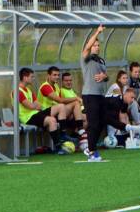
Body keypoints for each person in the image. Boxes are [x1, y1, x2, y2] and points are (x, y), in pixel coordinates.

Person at [37, 66, 87, 153]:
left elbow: (61, 103)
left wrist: (72, 111)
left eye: (58, 75)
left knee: (85, 116)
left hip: (58, 113)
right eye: (54, 75)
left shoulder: (56, 86)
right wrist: (76, 98)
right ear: (48, 75)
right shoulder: (45, 87)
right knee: (75, 103)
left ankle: (78, 136)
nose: (57, 77)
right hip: (46, 114)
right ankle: (74, 132)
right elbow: (60, 100)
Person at [81, 25, 110, 162]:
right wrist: (97, 31)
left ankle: (90, 148)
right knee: (93, 123)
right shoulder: (86, 58)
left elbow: (106, 76)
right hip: (89, 94)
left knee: (102, 122)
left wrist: (105, 77)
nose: (97, 47)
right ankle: (92, 152)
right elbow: (87, 47)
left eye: (98, 45)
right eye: (95, 45)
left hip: (100, 95)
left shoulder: (101, 60)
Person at [16, 67, 64, 151]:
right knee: (52, 120)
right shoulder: (18, 91)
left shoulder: (28, 90)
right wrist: (33, 105)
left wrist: (34, 105)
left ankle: (62, 135)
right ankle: (59, 147)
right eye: (32, 77)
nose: (33, 79)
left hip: (35, 114)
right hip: (27, 118)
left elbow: (38, 105)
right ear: (25, 77)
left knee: (60, 107)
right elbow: (30, 106)